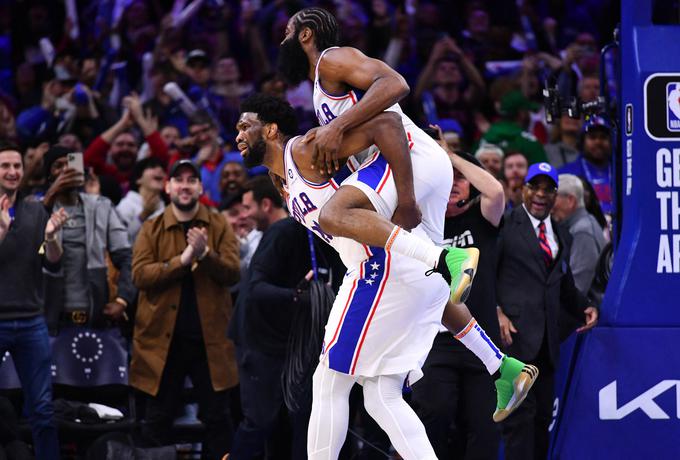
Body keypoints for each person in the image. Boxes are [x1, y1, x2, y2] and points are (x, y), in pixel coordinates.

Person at [235, 94, 538, 459]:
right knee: (381, 395)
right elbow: (438, 297)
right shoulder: (276, 177)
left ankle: (446, 262)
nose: (237, 135)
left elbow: (387, 124)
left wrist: (406, 199)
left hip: (377, 267)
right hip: (393, 268)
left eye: (244, 126)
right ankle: (499, 363)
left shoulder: (306, 149)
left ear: (269, 129)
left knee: (329, 380)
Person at [277, 6, 477, 304]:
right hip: (420, 164)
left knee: (333, 214)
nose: (282, 43)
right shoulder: (321, 87)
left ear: (305, 35)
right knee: (432, 283)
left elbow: (396, 84)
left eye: (287, 34)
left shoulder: (331, 59)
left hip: (408, 158)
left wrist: (337, 127)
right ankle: (494, 353)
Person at [131, 159, 240, 459]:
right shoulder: (151, 227)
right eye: (178, 180)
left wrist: (205, 255)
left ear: (200, 188)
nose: (185, 185)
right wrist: (181, 261)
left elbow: (233, 272)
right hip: (162, 343)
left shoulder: (218, 224)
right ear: (167, 187)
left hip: (211, 342)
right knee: (157, 418)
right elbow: (139, 276)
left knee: (219, 419)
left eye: (191, 180)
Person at [228, 177, 339, 459]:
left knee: (302, 418)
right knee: (261, 420)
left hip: (296, 343)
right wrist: (295, 295)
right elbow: (255, 289)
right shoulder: (285, 232)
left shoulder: (335, 239)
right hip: (260, 340)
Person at [496, 163, 599, 460]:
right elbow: (487, 273)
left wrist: (585, 307)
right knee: (518, 420)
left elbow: (563, 283)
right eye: (535, 187)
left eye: (548, 189)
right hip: (513, 339)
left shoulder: (562, 233)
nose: (540, 195)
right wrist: (497, 311)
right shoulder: (505, 224)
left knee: (542, 419)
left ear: (556, 195)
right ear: (523, 189)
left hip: (546, 344)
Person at [411, 152, 506, 459]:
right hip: (433, 342)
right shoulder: (420, 223)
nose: (453, 182)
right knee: (434, 415)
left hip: (482, 342)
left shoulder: (482, 218)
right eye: (446, 176)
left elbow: (496, 191)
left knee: (485, 428)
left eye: (460, 178)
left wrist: (449, 155)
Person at [0, 141, 67, 460]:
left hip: (31, 321)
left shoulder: (35, 210)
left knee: (42, 410)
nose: (12, 172)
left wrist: (52, 238)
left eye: (16, 166)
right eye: (5, 166)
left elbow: (51, 263)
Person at [40, 146, 136, 332]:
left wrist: (123, 299)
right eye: (58, 166)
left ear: (80, 171)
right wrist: (50, 197)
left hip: (95, 315)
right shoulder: (38, 210)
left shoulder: (102, 207)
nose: (65, 170)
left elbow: (126, 258)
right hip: (49, 317)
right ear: (49, 176)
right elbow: (35, 254)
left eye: (70, 164)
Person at [551, 174, 606, 294]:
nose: (549, 205)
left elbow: (577, 287)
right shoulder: (580, 225)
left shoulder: (582, 231)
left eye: (553, 198)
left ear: (570, 200)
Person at [558, 115, 613, 218]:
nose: (598, 142)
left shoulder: (623, 171)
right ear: (582, 142)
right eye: (593, 137)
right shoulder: (566, 173)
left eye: (603, 137)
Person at [116, 157, 166, 243]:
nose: (160, 170)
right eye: (152, 167)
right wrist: (143, 216)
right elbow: (120, 242)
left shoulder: (168, 207)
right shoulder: (126, 205)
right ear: (138, 179)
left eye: (163, 169)